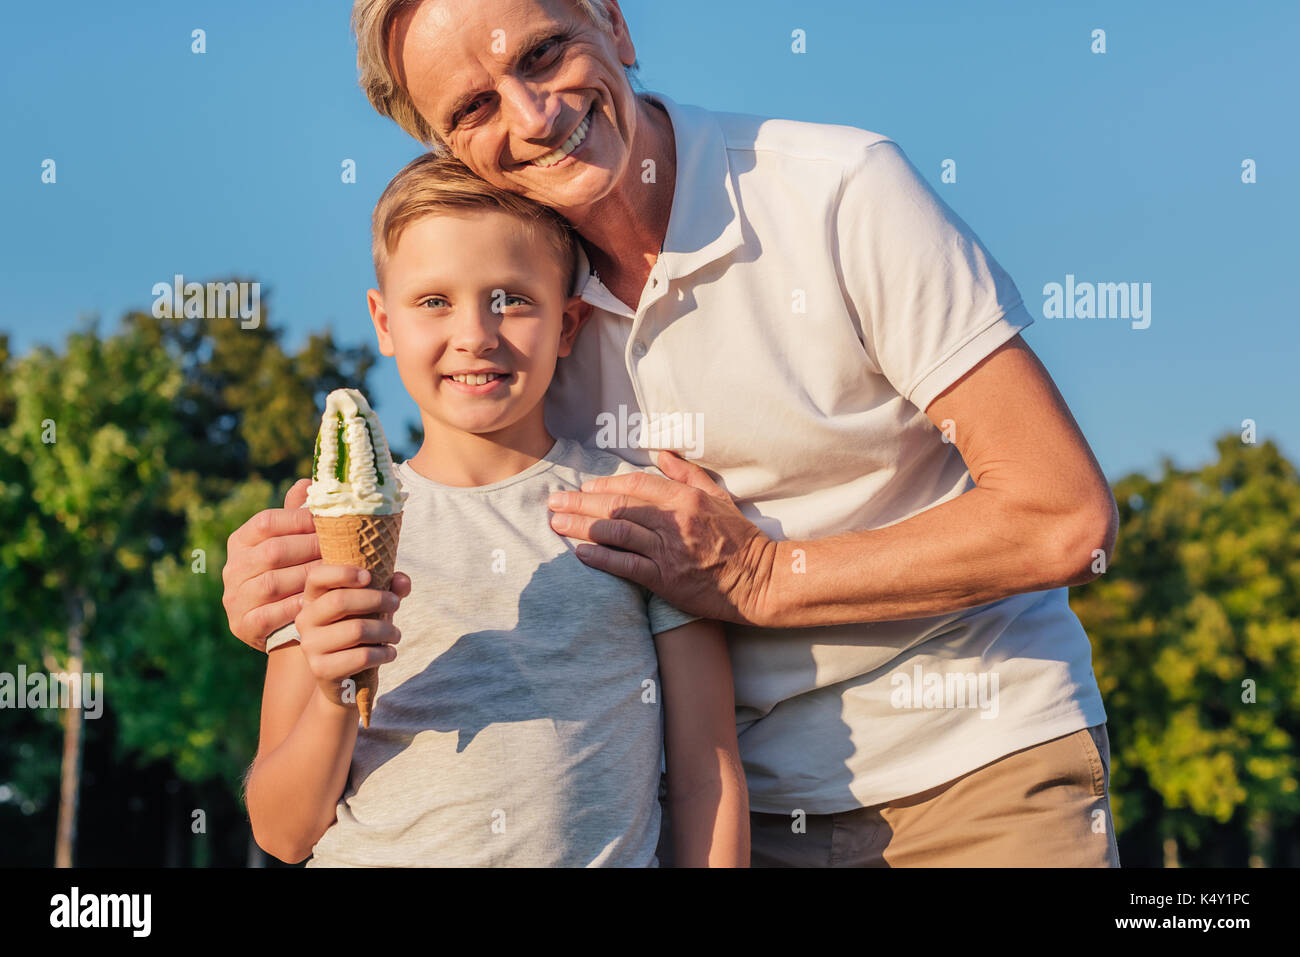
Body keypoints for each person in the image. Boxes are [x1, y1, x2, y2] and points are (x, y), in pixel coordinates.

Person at [225, 0, 1120, 866]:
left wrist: (761, 576)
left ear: (612, 19)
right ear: (445, 148)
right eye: (473, 105)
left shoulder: (839, 191)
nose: (533, 117)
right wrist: (263, 592)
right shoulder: (522, 323)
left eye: (542, 53)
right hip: (735, 818)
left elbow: (1063, 518)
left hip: (972, 766)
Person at [243, 151, 748, 867]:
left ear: (569, 324)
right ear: (383, 322)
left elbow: (706, 776)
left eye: (511, 297)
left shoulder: (640, 513)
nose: (476, 333)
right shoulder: (323, 529)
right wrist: (331, 694)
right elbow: (282, 830)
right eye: (434, 301)